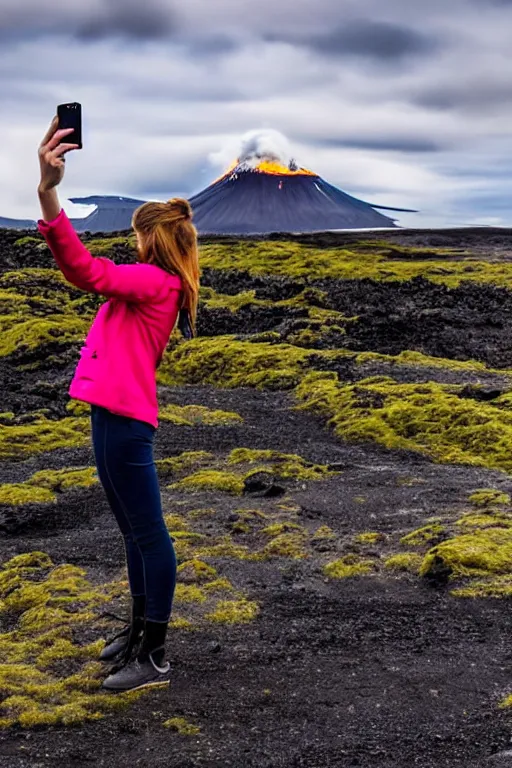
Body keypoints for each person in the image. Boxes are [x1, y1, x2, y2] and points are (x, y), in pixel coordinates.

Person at [37, 117, 200, 692]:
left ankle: (153, 655)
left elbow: (83, 271)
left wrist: (47, 192)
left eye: (136, 235)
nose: (132, 243)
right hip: (115, 416)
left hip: (126, 423)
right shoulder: (157, 281)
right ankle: (138, 633)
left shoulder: (155, 282)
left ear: (151, 237)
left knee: (149, 534)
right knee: (134, 533)